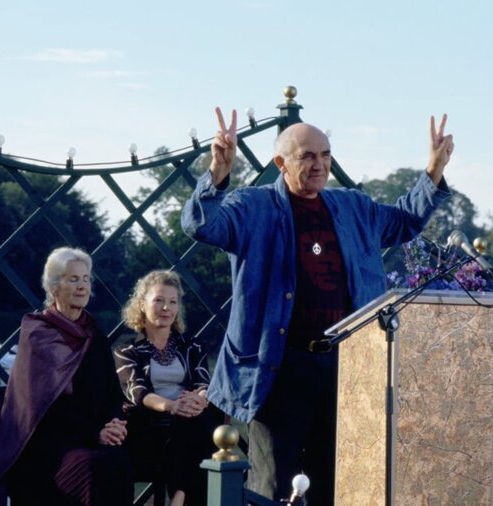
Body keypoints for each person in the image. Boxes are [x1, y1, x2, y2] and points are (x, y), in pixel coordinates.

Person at [181, 107, 455, 503]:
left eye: (325, 154)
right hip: (277, 369)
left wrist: (432, 170)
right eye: (307, 156)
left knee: (337, 482)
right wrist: (218, 175)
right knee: (274, 486)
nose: (319, 164)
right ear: (280, 163)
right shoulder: (251, 207)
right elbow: (201, 226)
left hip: (346, 370)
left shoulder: (353, 207)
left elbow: (403, 222)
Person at [0, 247, 132, 506]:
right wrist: (95, 433)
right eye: (73, 279)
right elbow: (41, 409)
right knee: (94, 468)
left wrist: (115, 423)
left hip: (92, 441)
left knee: (119, 462)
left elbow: (111, 393)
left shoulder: (94, 335)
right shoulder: (38, 334)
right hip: (46, 449)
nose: (82, 286)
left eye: (86, 279)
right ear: (54, 287)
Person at [114, 270, 222, 506]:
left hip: (189, 422)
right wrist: (172, 406)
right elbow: (138, 393)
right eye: (159, 300)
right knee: (195, 425)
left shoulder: (192, 346)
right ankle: (180, 497)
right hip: (147, 425)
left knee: (199, 417)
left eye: (173, 302)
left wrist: (200, 399)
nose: (167, 308)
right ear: (142, 304)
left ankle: (178, 497)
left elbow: (203, 384)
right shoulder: (126, 349)